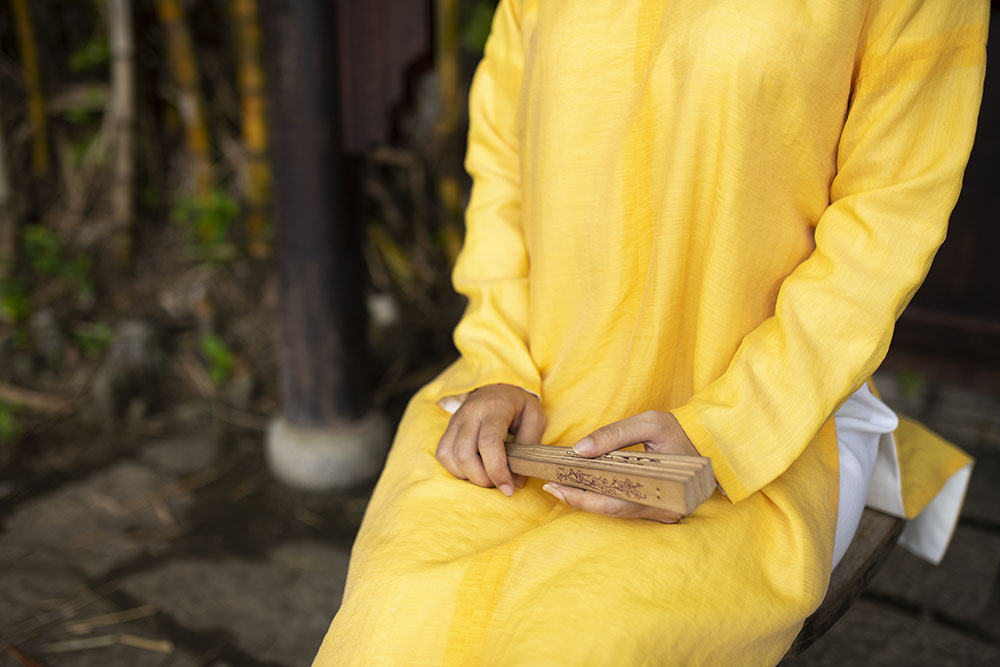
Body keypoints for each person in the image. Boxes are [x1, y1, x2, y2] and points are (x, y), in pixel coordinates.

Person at [314, 1, 987, 664]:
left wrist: (721, 434)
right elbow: (502, 167)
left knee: (586, 642)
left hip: (766, 421)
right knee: (392, 620)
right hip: (531, 389)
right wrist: (499, 362)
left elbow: (885, 229)